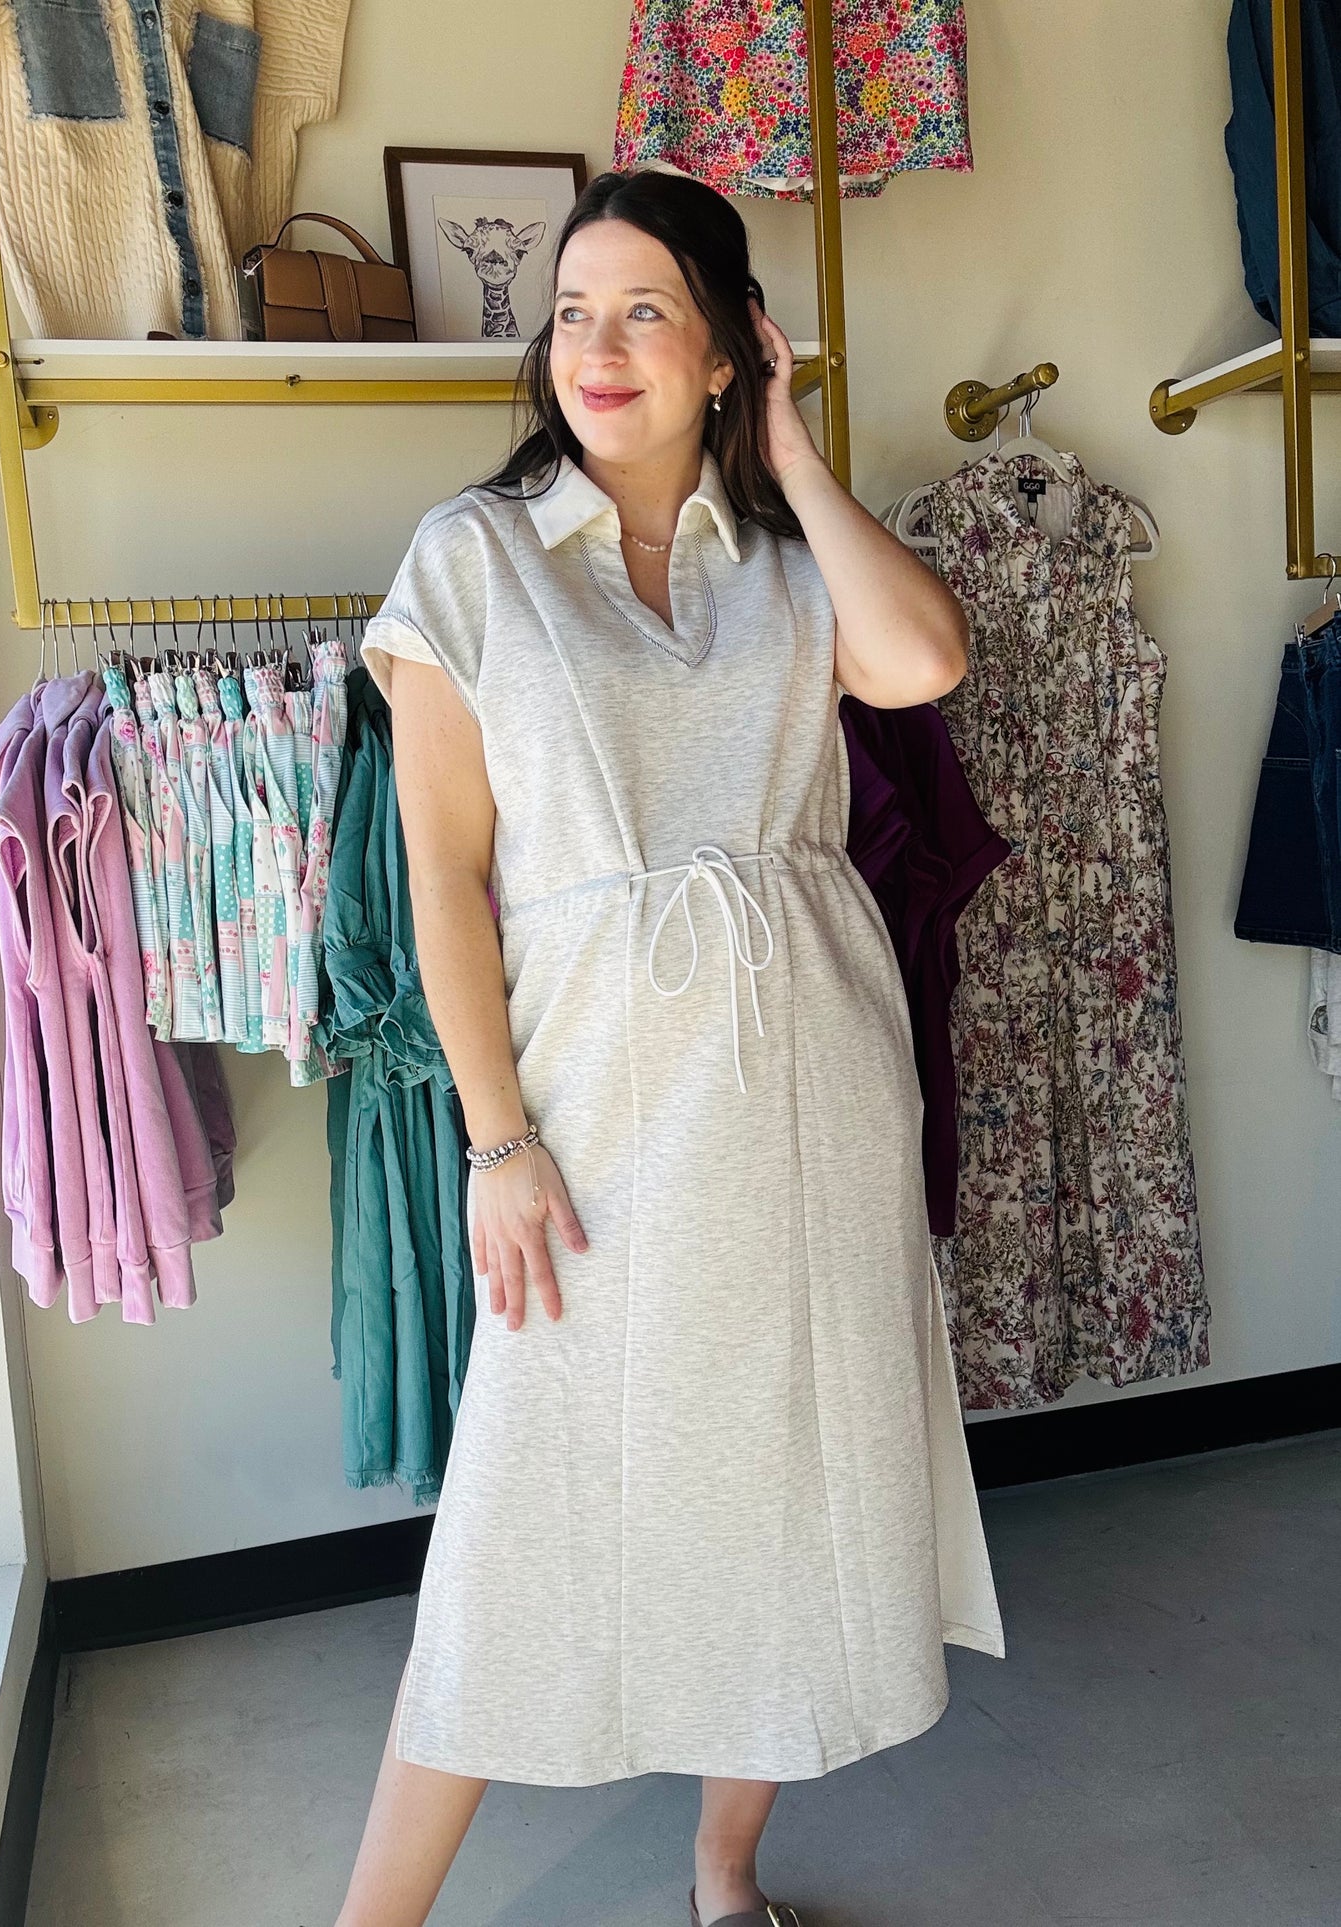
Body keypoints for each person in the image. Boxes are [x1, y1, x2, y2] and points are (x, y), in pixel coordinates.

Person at [337, 166, 1005, 1927]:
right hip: (596, 1113)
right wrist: (497, 1139)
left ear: (727, 350)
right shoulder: (469, 560)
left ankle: (723, 1873)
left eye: (646, 310)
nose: (598, 347)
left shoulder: (788, 562)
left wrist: (789, 451)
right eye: (573, 311)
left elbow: (922, 662)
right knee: (517, 1530)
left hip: (812, 1092)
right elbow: (448, 886)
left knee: (784, 1477)